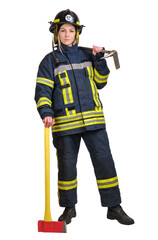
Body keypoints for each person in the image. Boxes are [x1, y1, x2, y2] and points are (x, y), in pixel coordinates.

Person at [35, 9, 134, 225]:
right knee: (67, 167)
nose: (67, 34)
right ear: (56, 34)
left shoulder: (89, 55)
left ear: (77, 33)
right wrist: (46, 113)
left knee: (105, 163)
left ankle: (113, 207)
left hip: (94, 122)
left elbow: (101, 82)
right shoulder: (49, 61)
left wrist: (99, 61)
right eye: (63, 30)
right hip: (64, 125)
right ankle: (69, 208)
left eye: (71, 30)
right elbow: (42, 92)